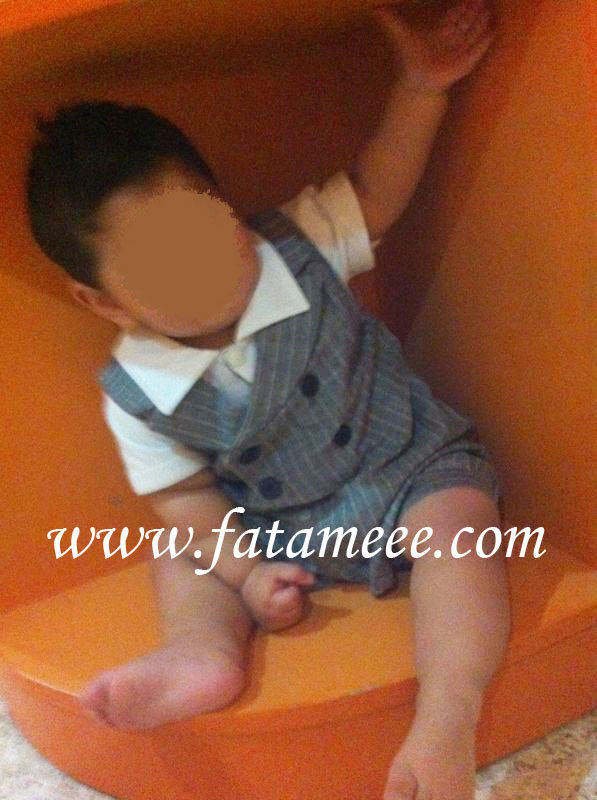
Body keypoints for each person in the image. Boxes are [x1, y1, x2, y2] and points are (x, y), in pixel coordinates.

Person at [25, 2, 510, 798]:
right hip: (274, 525)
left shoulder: (294, 246)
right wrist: (246, 573)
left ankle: (448, 711)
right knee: (181, 550)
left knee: (462, 525)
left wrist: (422, 90)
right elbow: (186, 498)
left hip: (401, 466)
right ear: (103, 301)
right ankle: (202, 652)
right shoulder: (137, 393)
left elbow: (378, 190)